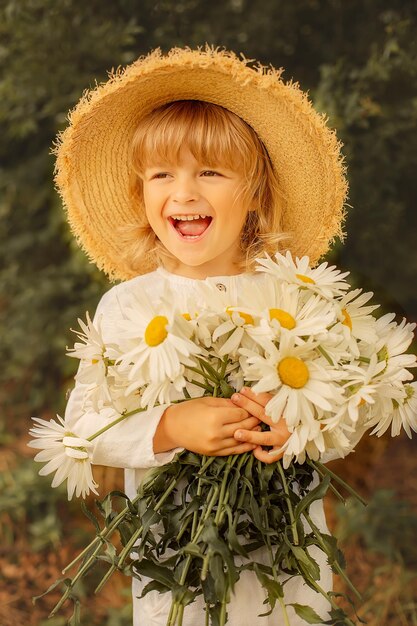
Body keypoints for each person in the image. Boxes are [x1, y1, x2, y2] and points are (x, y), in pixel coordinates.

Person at [57, 47, 350, 625]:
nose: (185, 192)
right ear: (141, 192)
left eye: (210, 172)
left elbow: (345, 412)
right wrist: (171, 426)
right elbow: (81, 430)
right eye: (162, 174)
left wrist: (300, 427)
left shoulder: (294, 297)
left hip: (285, 558)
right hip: (178, 560)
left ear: (257, 192)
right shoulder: (130, 306)